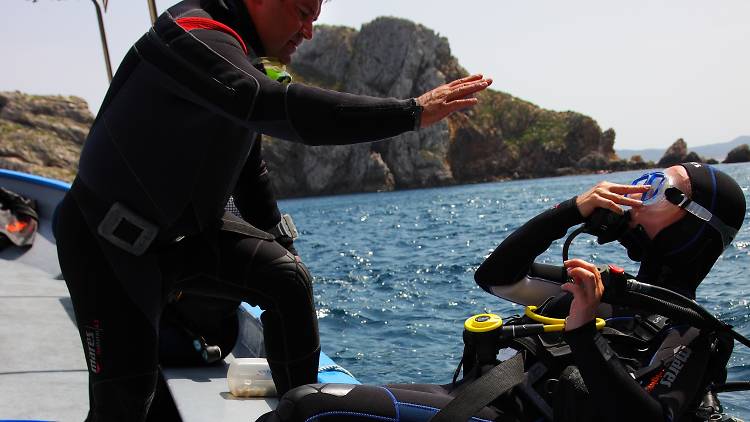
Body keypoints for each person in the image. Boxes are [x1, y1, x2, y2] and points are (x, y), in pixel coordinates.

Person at [53, 0, 492, 419]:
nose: (308, 31)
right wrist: (411, 111)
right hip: (110, 245)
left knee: (287, 280)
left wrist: (282, 242)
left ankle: (300, 417)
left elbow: (249, 171)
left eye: (316, 17)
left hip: (184, 238)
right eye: (302, 13)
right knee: (126, 402)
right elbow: (267, 104)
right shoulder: (191, 34)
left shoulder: (243, 56)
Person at [257, 162, 745, 422]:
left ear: (694, 223)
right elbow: (496, 276)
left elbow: (651, 418)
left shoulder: (691, 331)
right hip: (472, 394)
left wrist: (582, 332)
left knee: (309, 408)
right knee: (307, 397)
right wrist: (572, 211)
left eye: (656, 187)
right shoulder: (605, 289)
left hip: (502, 416)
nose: (635, 194)